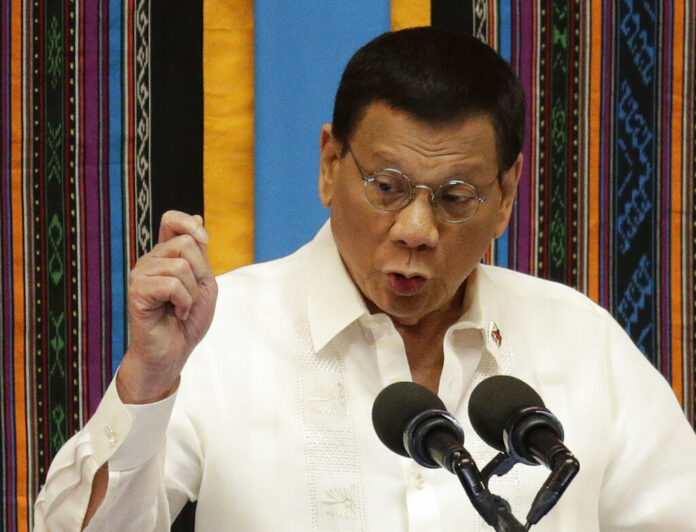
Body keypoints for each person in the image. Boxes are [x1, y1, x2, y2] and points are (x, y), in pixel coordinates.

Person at [34, 27, 696, 531]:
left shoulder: (581, 341)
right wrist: (148, 382)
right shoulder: (219, 335)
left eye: (455, 195)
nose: (416, 227)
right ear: (329, 164)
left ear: (507, 193)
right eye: (387, 186)